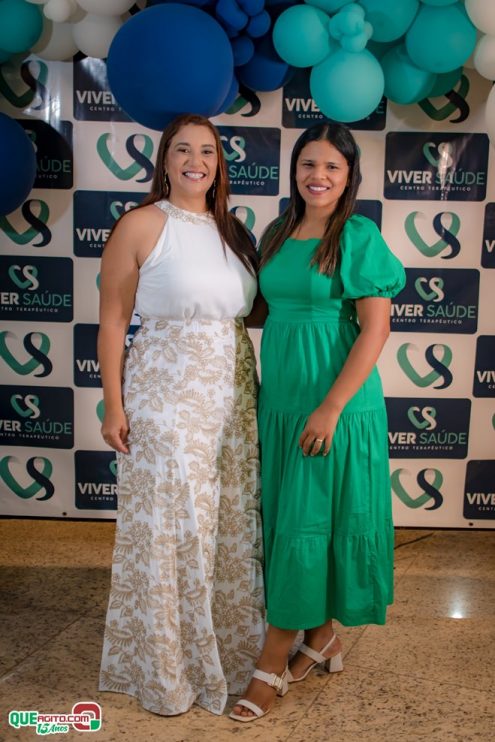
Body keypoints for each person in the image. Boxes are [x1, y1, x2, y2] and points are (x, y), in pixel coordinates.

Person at [230, 122, 406, 722]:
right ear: (294, 169)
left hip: (336, 401)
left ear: (349, 174)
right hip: (281, 400)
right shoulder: (278, 231)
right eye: (308, 163)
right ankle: (323, 637)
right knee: (296, 521)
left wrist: (330, 408)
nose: (318, 176)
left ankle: (272, 660)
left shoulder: (356, 234)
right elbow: (263, 308)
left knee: (305, 524)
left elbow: (376, 329)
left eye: (332, 166)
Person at [97, 113, 265, 716]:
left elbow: (247, 313)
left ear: (219, 164)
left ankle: (226, 653)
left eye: (208, 151)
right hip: (165, 394)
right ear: (165, 160)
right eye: (184, 150)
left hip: (232, 396)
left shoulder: (233, 231)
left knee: (227, 527)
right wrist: (113, 403)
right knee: (173, 529)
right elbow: (113, 320)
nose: (197, 161)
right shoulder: (141, 224)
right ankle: (167, 670)